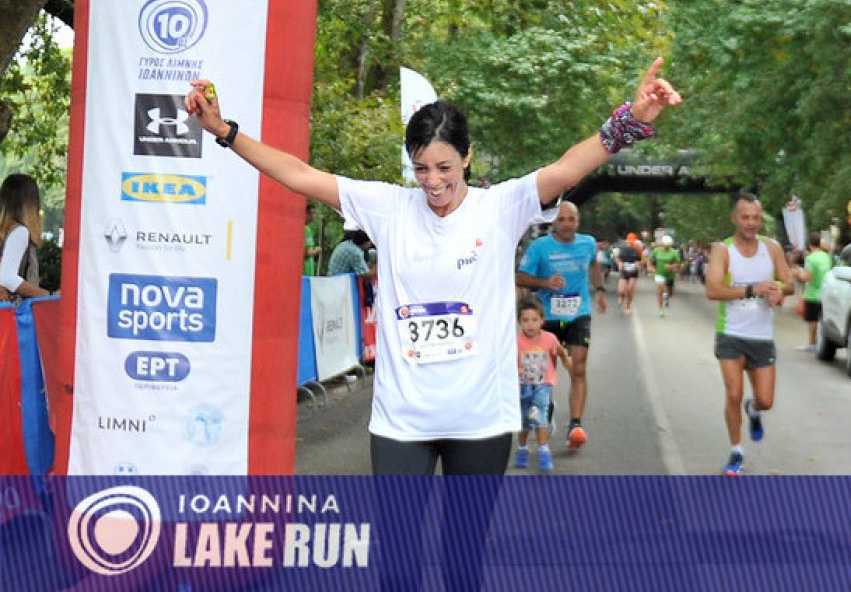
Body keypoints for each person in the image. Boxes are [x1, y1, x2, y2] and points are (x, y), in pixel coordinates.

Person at [184, 58, 681, 476]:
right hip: (402, 421)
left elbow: (568, 167)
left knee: (462, 553)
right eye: (421, 168)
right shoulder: (387, 207)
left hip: (481, 419)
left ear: (467, 157)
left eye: (444, 168)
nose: (433, 182)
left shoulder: (500, 207)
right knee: (398, 554)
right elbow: (298, 174)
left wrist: (629, 120)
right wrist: (224, 132)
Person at [705, 192, 795, 475]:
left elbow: (789, 283)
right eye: (745, 217)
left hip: (761, 336)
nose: (751, 223)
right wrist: (752, 289)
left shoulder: (772, 248)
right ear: (734, 218)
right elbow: (713, 290)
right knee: (733, 394)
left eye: (755, 218)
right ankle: (736, 452)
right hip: (730, 333)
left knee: (766, 400)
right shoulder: (723, 250)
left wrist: (778, 291)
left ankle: (753, 409)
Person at [515, 200, 606, 450]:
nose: (566, 224)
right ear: (554, 222)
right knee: (542, 374)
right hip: (547, 318)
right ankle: (546, 408)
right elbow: (520, 277)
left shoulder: (588, 243)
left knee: (578, 368)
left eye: (571, 219)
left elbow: (593, 265)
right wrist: (545, 283)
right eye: (562, 219)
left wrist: (599, 289)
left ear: (578, 221)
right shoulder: (540, 247)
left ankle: (575, 425)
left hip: (579, 314)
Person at [515, 295, 571, 473]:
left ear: (542, 320)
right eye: (525, 320)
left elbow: (560, 351)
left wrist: (567, 362)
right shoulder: (515, 341)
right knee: (524, 419)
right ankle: (522, 447)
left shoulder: (549, 338)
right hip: (523, 386)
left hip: (543, 384)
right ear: (519, 322)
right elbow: (507, 363)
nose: (530, 324)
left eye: (534, 320)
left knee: (540, 414)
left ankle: (543, 449)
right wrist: (518, 370)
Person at [0, 174, 48, 301]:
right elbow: (7, 277)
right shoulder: (19, 231)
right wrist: (47, 295)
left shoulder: (4, 231)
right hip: (13, 310)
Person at [793, 234, 832, 352]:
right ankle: (819, 344)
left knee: (812, 321)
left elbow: (807, 277)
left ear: (809, 244)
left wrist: (798, 273)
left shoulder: (810, 259)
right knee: (820, 320)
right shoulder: (826, 257)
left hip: (812, 294)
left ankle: (812, 344)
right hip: (824, 293)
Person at [648, 233, 682, 315]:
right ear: (662, 244)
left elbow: (678, 264)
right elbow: (649, 259)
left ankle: (666, 296)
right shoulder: (656, 251)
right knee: (660, 291)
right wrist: (650, 267)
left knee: (670, 293)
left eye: (668, 245)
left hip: (670, 275)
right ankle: (661, 310)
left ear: (670, 245)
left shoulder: (674, 252)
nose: (666, 247)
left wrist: (672, 266)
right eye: (665, 245)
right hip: (659, 273)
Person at [614, 232, 644, 315]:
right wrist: (619, 263)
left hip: (633, 271)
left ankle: (628, 306)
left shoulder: (638, 249)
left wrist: (638, 264)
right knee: (621, 290)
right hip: (624, 270)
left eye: (632, 242)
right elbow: (615, 257)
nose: (631, 244)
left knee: (630, 289)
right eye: (630, 242)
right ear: (627, 241)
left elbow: (642, 259)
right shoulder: (621, 248)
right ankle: (621, 296)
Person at [303, 201, 322, 276]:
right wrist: (315, 251)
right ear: (305, 213)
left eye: (314, 213)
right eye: (311, 213)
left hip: (309, 272)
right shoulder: (301, 229)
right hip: (303, 273)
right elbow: (303, 253)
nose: (313, 216)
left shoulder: (308, 229)